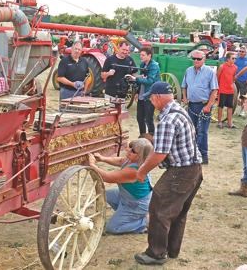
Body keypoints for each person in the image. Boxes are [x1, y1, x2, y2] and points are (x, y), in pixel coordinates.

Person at [133, 81, 203, 265]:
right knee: (178, 212)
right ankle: (171, 249)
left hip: (181, 172)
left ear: (157, 97)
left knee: (159, 209)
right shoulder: (180, 111)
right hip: (194, 169)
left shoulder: (168, 120)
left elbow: (159, 154)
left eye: (151, 97)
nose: (150, 101)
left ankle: (156, 253)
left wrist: (141, 171)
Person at [87, 138, 153, 234]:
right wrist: (103, 158)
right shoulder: (131, 160)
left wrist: (92, 165)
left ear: (140, 156)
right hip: (128, 198)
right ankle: (126, 214)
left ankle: (145, 222)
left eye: (133, 151)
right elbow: (120, 161)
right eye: (131, 147)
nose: (129, 150)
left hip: (137, 204)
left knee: (112, 228)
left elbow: (108, 177)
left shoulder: (134, 171)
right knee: (105, 195)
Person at [181, 49, 218, 164]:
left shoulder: (210, 72)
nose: (196, 61)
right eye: (194, 59)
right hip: (191, 105)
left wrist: (208, 106)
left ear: (204, 59)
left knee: (202, 131)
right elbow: (184, 86)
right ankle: (193, 154)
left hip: (203, 106)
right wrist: (185, 97)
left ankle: (203, 155)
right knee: (191, 130)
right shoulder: (188, 70)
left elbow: (214, 90)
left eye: (199, 59)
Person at [126, 47, 160, 136]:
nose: (141, 56)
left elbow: (150, 81)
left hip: (150, 96)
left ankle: (152, 137)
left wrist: (136, 79)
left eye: (143, 55)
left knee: (148, 118)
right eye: (140, 54)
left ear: (149, 55)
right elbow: (142, 79)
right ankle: (142, 136)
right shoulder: (142, 65)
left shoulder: (154, 66)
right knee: (140, 117)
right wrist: (137, 92)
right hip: (142, 94)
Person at [217, 52, 237, 129]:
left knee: (230, 106)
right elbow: (217, 77)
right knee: (220, 106)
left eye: (235, 58)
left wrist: (232, 84)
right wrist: (217, 87)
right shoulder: (222, 67)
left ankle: (230, 122)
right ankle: (219, 122)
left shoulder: (235, 67)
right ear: (228, 59)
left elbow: (233, 77)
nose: (234, 60)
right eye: (233, 58)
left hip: (230, 90)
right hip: (222, 89)